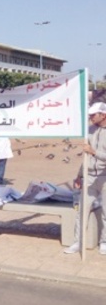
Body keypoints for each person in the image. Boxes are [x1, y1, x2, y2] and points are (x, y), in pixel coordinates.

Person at [65, 102, 106, 255]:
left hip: (104, 177)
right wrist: (79, 176)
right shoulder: (89, 131)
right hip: (89, 177)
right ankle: (78, 242)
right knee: (82, 211)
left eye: (93, 115)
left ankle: (104, 242)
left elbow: (93, 153)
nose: (90, 117)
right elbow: (85, 157)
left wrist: (94, 152)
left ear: (103, 115)